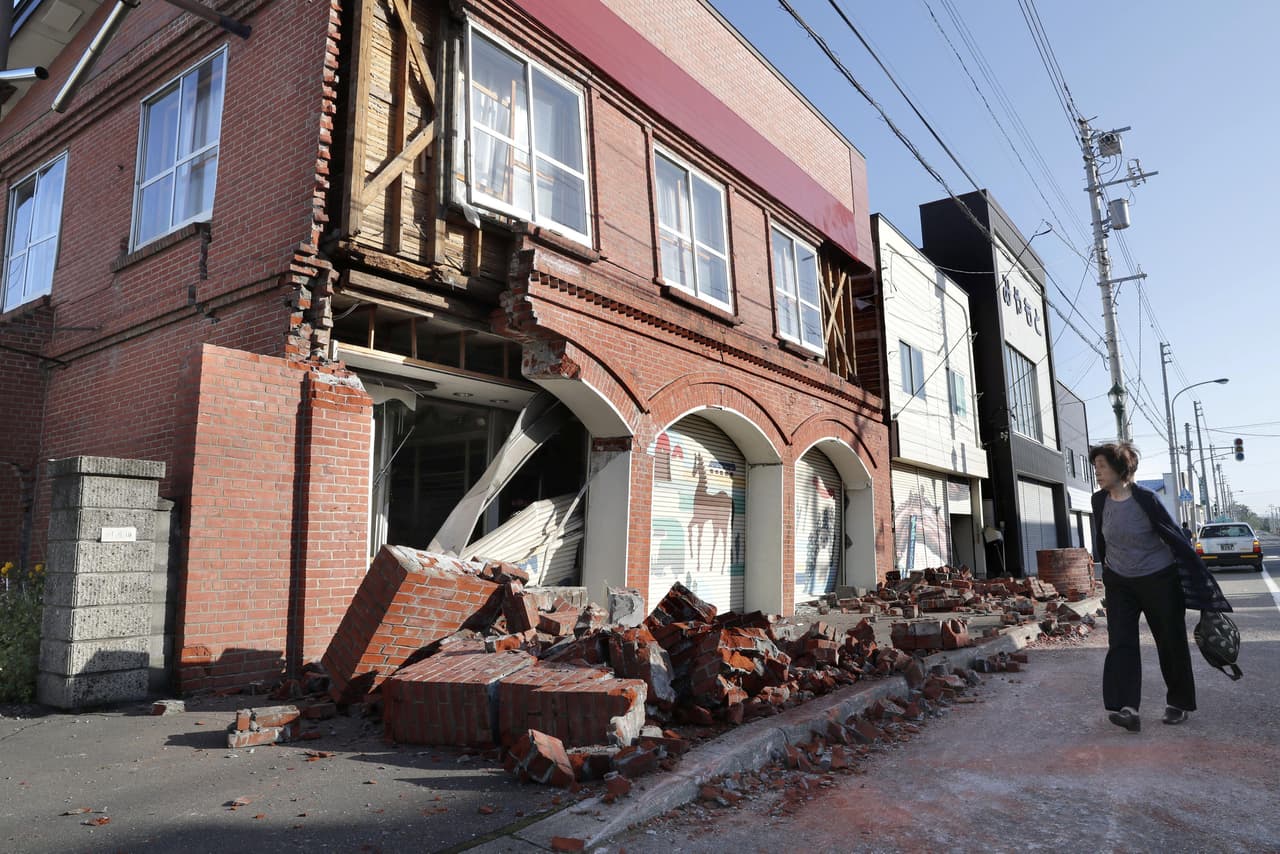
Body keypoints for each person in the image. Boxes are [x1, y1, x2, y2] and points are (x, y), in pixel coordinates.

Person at [1090, 442, 1232, 732]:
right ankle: (1127, 708)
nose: (1097, 473)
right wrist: (1106, 570)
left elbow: (1175, 537)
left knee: (1170, 640)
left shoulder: (1146, 499)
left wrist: (1201, 585)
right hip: (1120, 581)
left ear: (1120, 468)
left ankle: (1178, 704)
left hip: (1158, 578)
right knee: (1121, 643)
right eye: (1095, 468)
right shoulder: (1098, 501)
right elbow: (1102, 540)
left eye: (1102, 467)